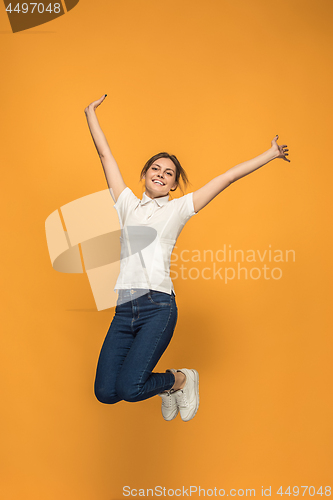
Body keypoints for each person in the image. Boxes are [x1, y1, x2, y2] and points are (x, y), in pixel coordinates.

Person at [84, 94, 290, 422]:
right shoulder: (125, 204)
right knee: (106, 393)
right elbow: (104, 153)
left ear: (175, 184)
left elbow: (227, 177)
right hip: (124, 310)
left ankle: (181, 380)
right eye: (156, 168)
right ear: (145, 174)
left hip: (157, 308)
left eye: (169, 173)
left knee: (131, 388)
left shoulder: (179, 209)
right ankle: (171, 386)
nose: (161, 174)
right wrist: (89, 113)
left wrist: (270, 154)